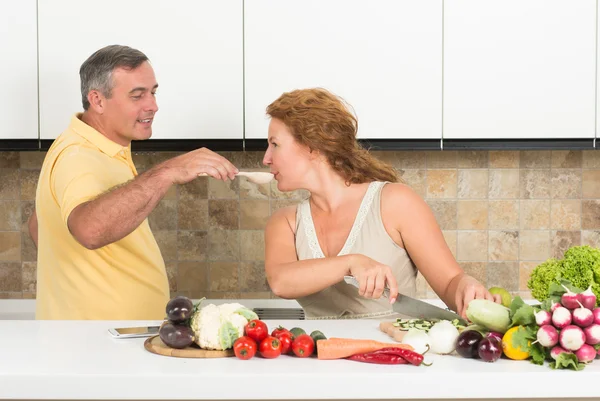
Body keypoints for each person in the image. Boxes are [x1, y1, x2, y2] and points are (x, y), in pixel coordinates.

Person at [28, 45, 238, 320]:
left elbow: (40, 221)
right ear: (98, 100)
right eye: (137, 96)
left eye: (153, 92)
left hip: (112, 339)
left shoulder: (101, 147)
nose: (152, 105)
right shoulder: (79, 155)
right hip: (98, 345)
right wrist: (167, 172)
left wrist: (78, 272)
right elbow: (89, 230)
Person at [263, 88, 501, 319]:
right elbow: (280, 281)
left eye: (275, 144)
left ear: (311, 147)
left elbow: (451, 282)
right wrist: (351, 262)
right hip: (316, 356)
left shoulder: (395, 203)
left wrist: (467, 286)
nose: (266, 158)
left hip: (397, 354)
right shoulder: (286, 222)